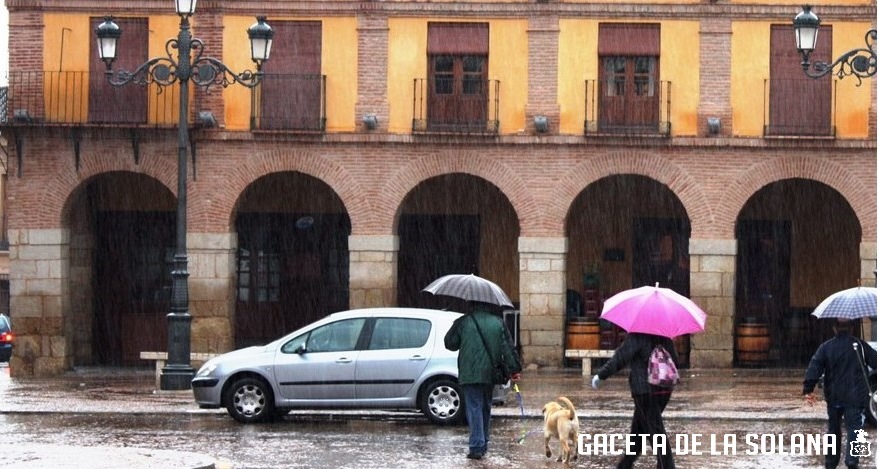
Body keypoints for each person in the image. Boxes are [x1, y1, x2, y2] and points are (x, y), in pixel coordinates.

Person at [444, 301, 522, 460]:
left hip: (469, 373)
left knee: (474, 407)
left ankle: (476, 446)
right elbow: (507, 347)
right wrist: (514, 369)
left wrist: (458, 326)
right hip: (490, 372)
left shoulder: (464, 321)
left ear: (471, 304)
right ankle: (483, 442)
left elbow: (450, 344)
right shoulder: (497, 322)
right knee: (485, 406)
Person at [591, 332, 678, 469]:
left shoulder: (637, 334)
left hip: (644, 391)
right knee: (639, 433)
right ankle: (624, 466)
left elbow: (621, 357)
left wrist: (601, 375)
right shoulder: (665, 335)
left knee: (656, 432)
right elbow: (675, 360)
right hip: (664, 390)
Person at [803, 318, 877, 469]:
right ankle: (852, 460)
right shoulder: (860, 346)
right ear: (851, 328)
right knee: (855, 429)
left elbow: (814, 367)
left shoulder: (826, 347)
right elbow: (876, 362)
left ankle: (831, 462)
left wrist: (808, 388)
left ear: (834, 328)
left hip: (834, 396)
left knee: (833, 430)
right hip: (855, 396)